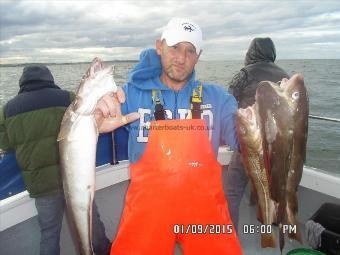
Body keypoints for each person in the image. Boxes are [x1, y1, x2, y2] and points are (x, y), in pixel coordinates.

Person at [95, 17, 242, 254]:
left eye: (190, 51)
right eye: (175, 47)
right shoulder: (129, 95)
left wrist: (267, 122)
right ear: (159, 46)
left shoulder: (218, 98)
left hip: (204, 214)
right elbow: (92, 122)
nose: (181, 58)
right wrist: (93, 117)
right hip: (147, 212)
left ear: (198, 56)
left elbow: (244, 142)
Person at [0, 64, 111, 255]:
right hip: (74, 179)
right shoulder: (68, 98)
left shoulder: (8, 109)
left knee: (49, 234)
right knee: (92, 228)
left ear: (22, 82)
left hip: (41, 185)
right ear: (49, 79)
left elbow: (5, 141)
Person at [224, 37, 290, 231]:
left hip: (250, 142)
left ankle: (230, 237)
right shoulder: (284, 75)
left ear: (250, 53)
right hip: (276, 145)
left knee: (233, 191)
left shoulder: (244, 74)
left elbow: (228, 103)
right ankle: (273, 229)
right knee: (272, 186)